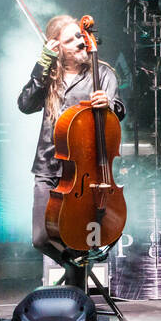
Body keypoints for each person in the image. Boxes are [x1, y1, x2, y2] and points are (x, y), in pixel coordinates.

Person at [17, 15, 125, 287]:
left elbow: (119, 112)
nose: (79, 42)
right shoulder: (49, 77)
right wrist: (41, 65)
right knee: (41, 238)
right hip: (49, 167)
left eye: (80, 35)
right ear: (58, 49)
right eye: (71, 39)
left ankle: (78, 305)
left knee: (79, 239)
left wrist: (108, 105)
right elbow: (25, 104)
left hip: (85, 171)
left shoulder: (102, 74)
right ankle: (75, 266)